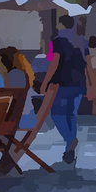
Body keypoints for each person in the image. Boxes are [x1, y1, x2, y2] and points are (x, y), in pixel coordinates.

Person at [37, 15, 87, 164]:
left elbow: (54, 62)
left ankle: (70, 140)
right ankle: (69, 148)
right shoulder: (82, 41)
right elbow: (87, 65)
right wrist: (91, 86)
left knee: (57, 114)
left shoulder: (58, 41)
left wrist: (44, 83)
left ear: (60, 25)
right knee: (71, 115)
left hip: (62, 83)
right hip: (79, 83)